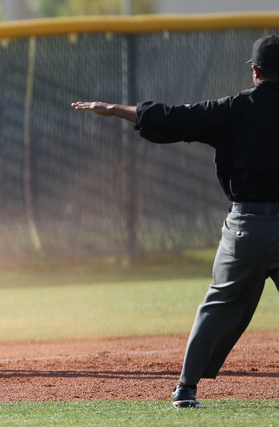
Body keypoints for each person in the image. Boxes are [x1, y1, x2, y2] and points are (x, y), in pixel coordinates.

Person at [71, 35, 279, 408]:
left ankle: (185, 388)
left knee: (216, 306)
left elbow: (173, 119)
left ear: (255, 71)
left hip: (244, 228)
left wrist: (117, 108)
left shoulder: (232, 108)